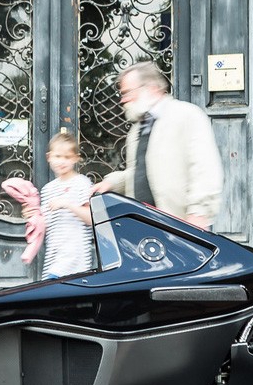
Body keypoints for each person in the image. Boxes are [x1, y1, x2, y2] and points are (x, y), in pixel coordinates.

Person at [92, 61, 223, 230]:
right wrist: (111, 184)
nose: (123, 100)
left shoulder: (187, 115)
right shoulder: (137, 129)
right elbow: (141, 173)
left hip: (182, 227)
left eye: (127, 92)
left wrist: (198, 214)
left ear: (152, 88)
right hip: (146, 227)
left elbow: (205, 170)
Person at [34, 131, 94, 279]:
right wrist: (32, 215)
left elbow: (91, 218)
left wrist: (67, 204)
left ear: (76, 158)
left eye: (67, 157)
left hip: (76, 262)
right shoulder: (47, 189)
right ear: (49, 157)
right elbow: (44, 223)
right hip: (53, 259)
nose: (62, 161)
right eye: (58, 156)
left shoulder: (82, 183)